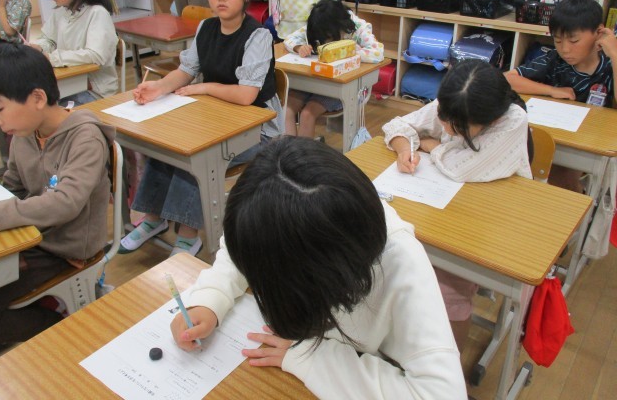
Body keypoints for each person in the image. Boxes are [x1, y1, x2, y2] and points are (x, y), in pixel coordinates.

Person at [168, 136, 467, 399]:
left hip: (353, 367)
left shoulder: (400, 261)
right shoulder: (284, 229)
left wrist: (312, 357)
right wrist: (210, 299)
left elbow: (443, 394)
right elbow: (244, 251)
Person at [119, 0, 283, 257]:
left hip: (258, 129)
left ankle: (188, 234)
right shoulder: (206, 27)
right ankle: (154, 219)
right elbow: (186, 70)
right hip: (215, 118)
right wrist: (159, 87)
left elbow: (246, 95)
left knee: (195, 155)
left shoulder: (258, 36)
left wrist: (204, 87)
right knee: (167, 146)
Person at [382, 59, 533, 351]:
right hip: (441, 206)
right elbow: (399, 124)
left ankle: (451, 369)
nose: (448, 129)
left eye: (458, 127)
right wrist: (404, 148)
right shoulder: (454, 102)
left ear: (490, 120)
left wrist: (429, 144)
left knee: (447, 288)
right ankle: (403, 342)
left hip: (489, 221)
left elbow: (460, 167)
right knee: (392, 254)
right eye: (443, 118)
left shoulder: (512, 119)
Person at [0, 43, 115, 358]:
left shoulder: (85, 138)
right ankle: (13, 320)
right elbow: (13, 186)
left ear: (38, 98)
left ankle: (60, 326)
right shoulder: (25, 133)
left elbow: (65, 203)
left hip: (66, 250)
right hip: (33, 239)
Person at [505, 0, 617, 191]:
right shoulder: (555, 60)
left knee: (564, 178)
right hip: (557, 136)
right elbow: (507, 79)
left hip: (592, 144)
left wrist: (615, 54)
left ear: (599, 33)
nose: (565, 49)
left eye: (574, 40)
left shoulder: (609, 65)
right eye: (557, 40)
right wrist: (551, 90)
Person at [283, 0, 384, 137]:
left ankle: (304, 152)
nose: (326, 42)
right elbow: (289, 39)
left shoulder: (358, 27)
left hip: (340, 89)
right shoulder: (319, 25)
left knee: (307, 114)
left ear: (341, 27)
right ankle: (288, 151)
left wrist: (348, 52)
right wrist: (299, 47)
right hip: (314, 82)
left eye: (330, 37)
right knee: (286, 110)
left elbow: (378, 52)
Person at [29, 0, 118, 106]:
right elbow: (49, 39)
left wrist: (52, 58)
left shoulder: (97, 13)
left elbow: (95, 55)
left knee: (45, 111)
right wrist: (40, 47)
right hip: (67, 84)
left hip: (92, 90)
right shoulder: (61, 11)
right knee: (31, 105)